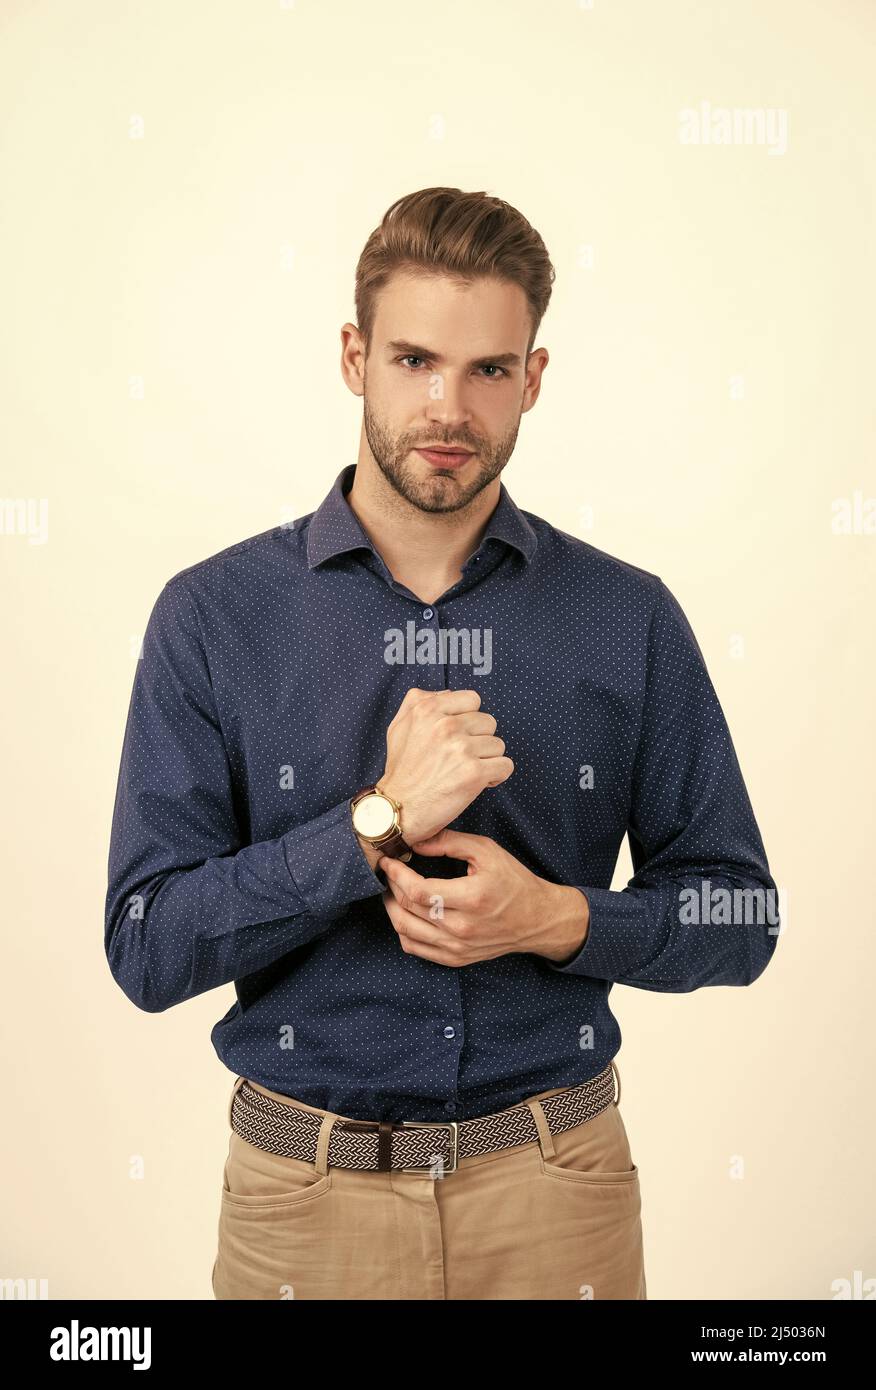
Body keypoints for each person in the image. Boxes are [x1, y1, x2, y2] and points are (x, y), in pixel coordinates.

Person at [105, 186, 779, 1300]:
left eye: (487, 370)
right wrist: (369, 824)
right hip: (303, 1206)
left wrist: (557, 917)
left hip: (559, 1193)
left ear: (536, 377)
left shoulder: (628, 616)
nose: (448, 407)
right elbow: (147, 944)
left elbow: (742, 915)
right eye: (414, 360)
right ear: (353, 356)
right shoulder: (214, 617)